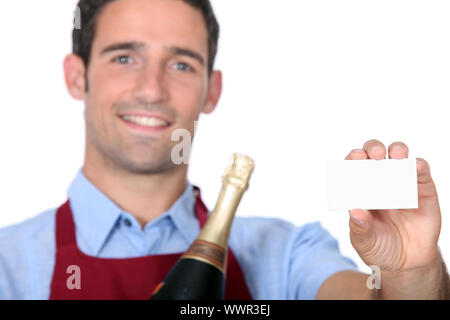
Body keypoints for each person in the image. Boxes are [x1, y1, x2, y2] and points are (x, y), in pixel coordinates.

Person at [0, 0, 448, 300]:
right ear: (77, 77)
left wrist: (410, 271)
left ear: (211, 90)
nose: (152, 89)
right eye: (124, 58)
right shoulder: (8, 266)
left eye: (181, 63)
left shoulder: (284, 253)